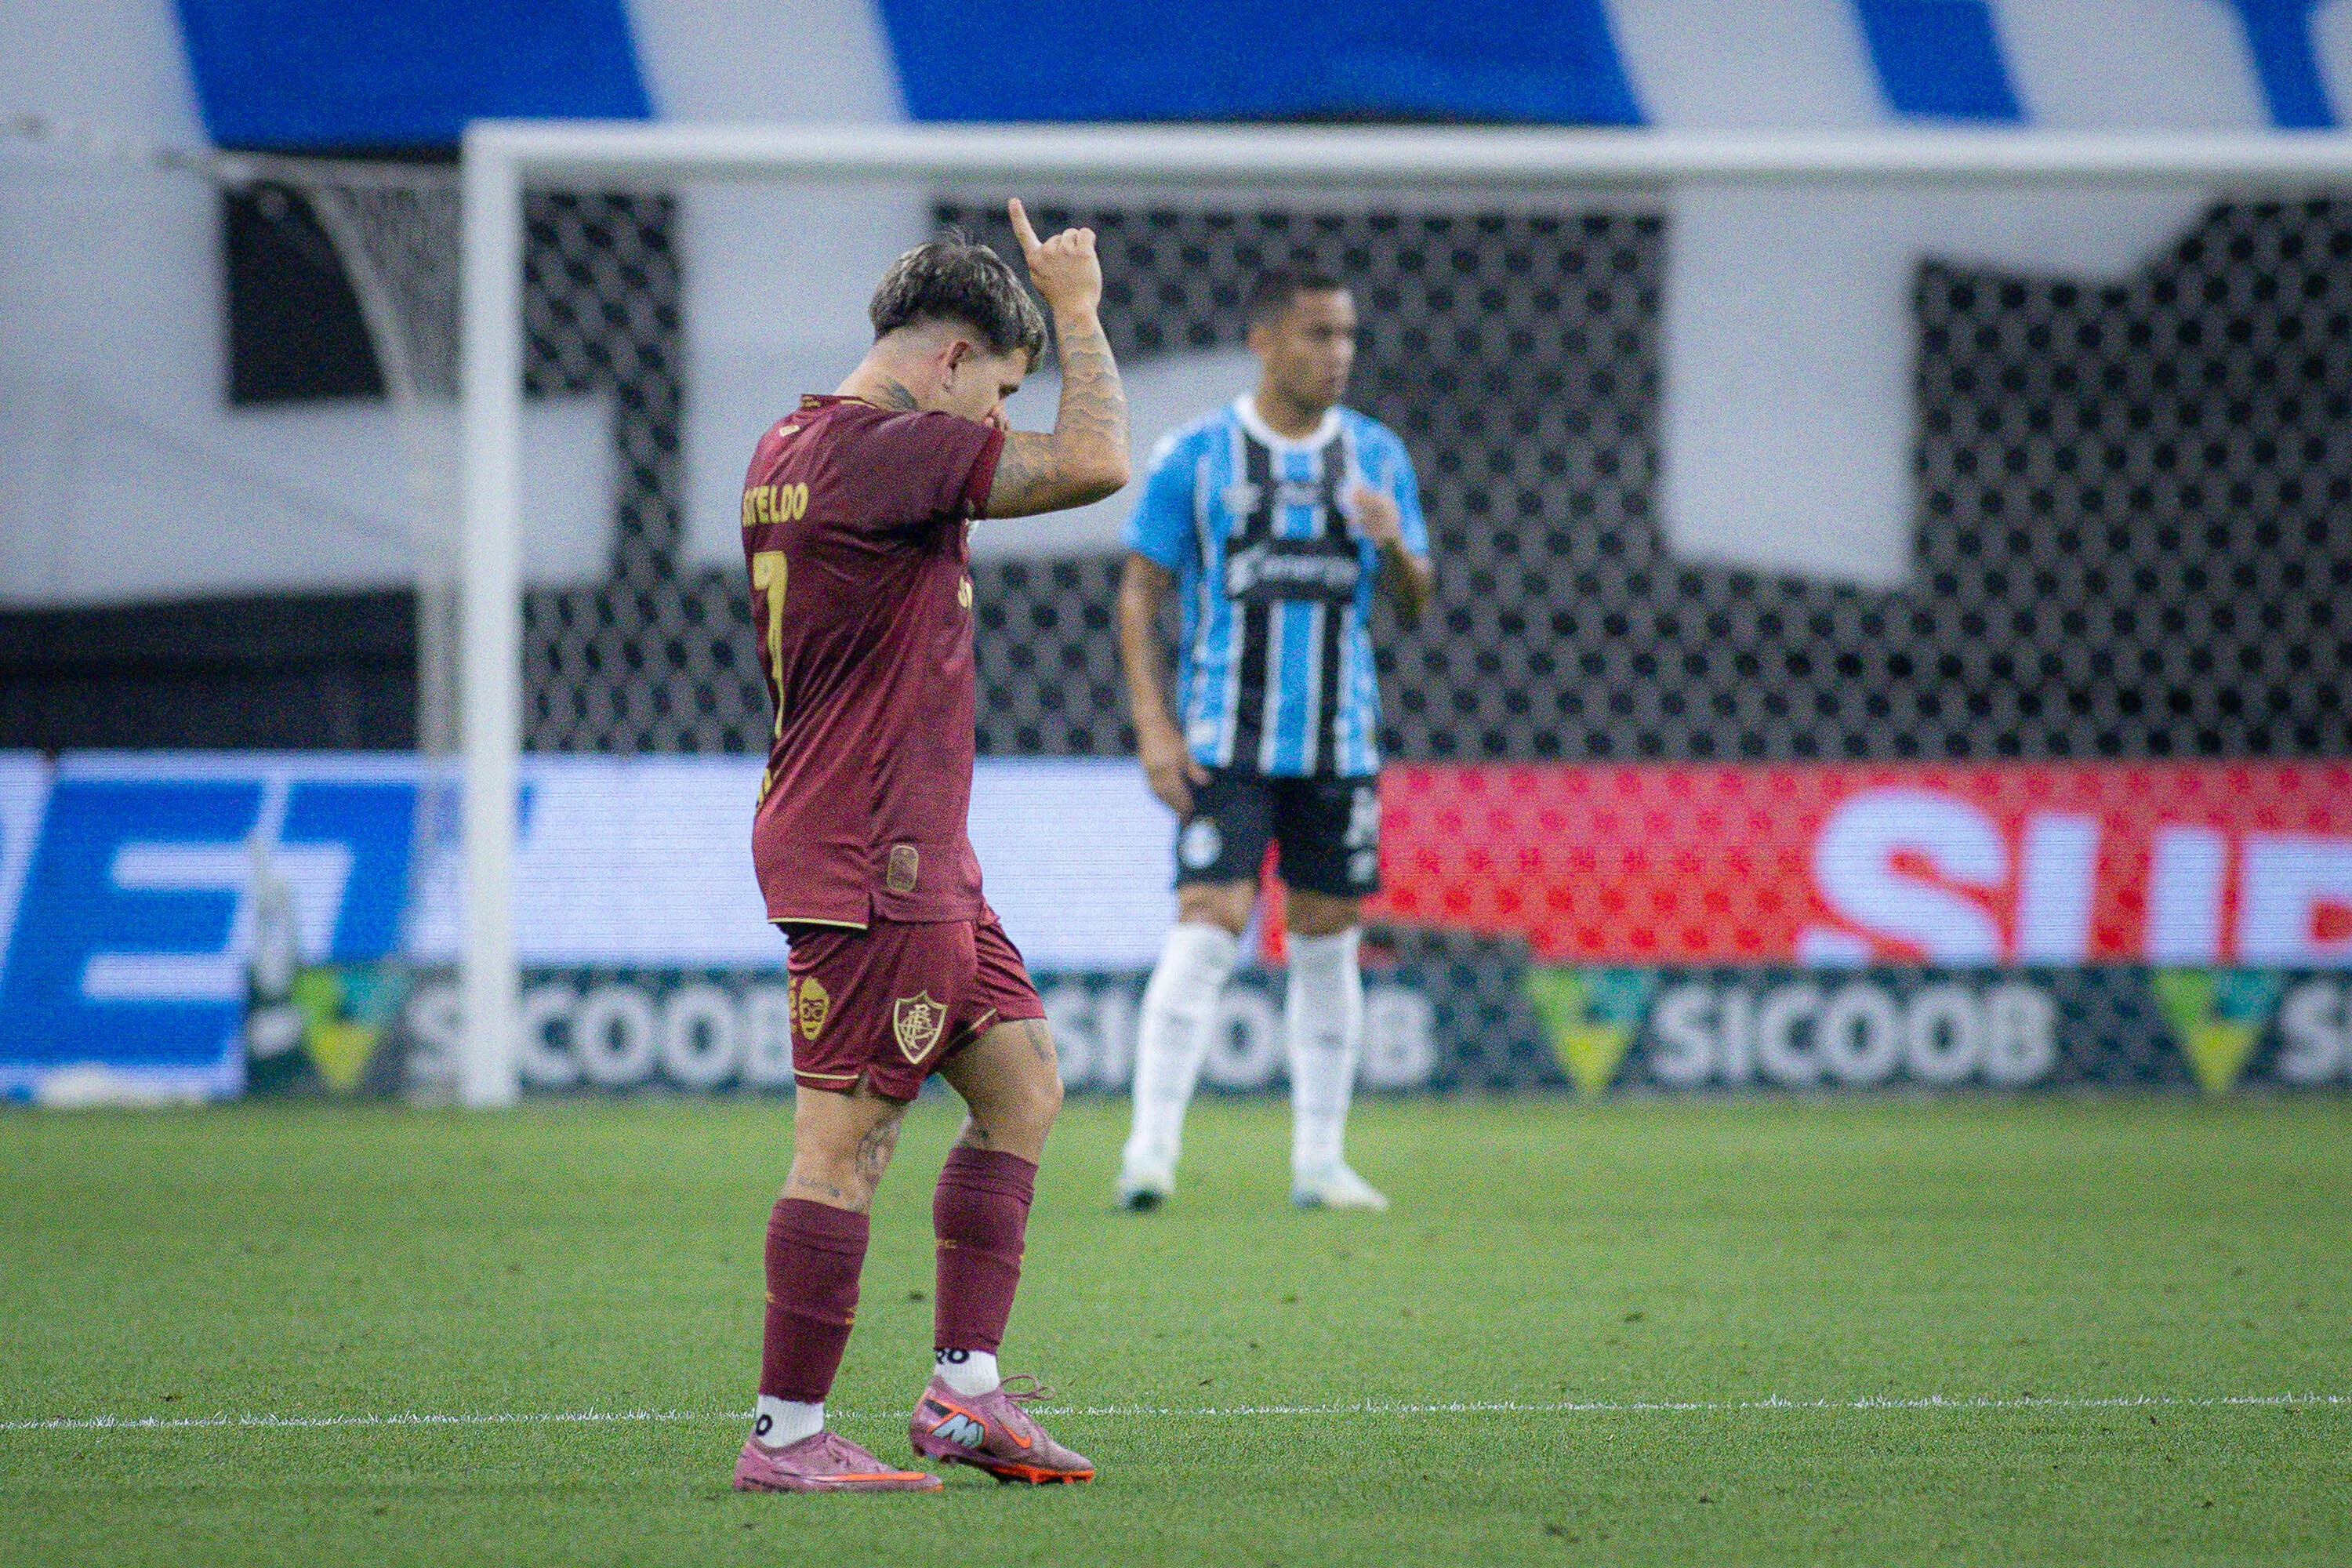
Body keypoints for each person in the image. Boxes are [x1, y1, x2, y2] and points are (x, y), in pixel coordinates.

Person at [731, 201, 1127, 1494]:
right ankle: (786, 1437)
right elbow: (1092, 464)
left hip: (917, 849)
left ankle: (964, 1397)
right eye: (1001, 390)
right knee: (845, 1148)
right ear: (948, 359)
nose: (1001, 423)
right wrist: (1075, 310)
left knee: (1019, 1086)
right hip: (871, 856)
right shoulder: (880, 451)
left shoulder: (789, 442)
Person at [1113, 268, 1435, 1214]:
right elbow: (1141, 586)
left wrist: (1394, 548)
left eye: (1346, 335)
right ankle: (1150, 1150)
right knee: (1209, 917)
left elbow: (1415, 604)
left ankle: (1319, 1160)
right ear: (1264, 339)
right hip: (1227, 738)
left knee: (1328, 940)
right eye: (1316, 335)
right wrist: (1154, 725)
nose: (1336, 353)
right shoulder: (1198, 455)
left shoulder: (1378, 457)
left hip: (1339, 743)